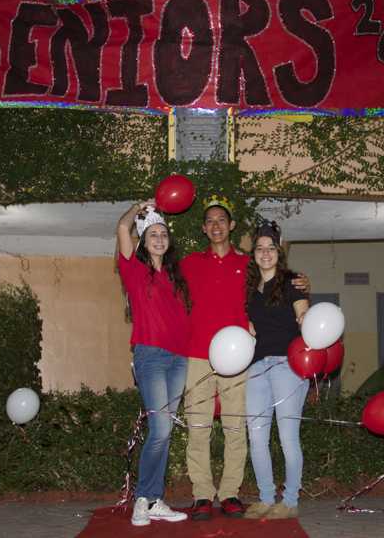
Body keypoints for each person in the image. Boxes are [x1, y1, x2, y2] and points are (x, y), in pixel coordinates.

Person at [181, 196, 309, 521]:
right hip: (198, 355)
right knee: (198, 428)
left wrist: (302, 283)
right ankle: (201, 494)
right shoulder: (189, 263)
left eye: (221, 220)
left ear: (232, 226)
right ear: (203, 228)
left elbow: (283, 288)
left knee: (237, 428)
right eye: (209, 221)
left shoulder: (247, 268)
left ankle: (229, 493)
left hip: (240, 359)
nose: (216, 226)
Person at [116, 201, 191, 527]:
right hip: (150, 356)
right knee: (159, 428)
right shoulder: (134, 271)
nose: (159, 239)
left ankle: (155, 498)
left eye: (163, 234)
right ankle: (143, 499)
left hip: (179, 358)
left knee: (165, 429)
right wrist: (137, 209)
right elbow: (121, 229)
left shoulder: (178, 277)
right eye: (153, 235)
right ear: (144, 242)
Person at [243, 221, 310, 520]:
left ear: (279, 251)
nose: (265, 253)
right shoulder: (251, 289)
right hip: (257, 367)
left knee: (287, 436)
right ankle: (266, 497)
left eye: (271, 247)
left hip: (287, 366)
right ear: (254, 253)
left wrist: (308, 322)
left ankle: (291, 500)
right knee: (256, 436)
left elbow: (304, 316)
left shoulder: (292, 281)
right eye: (260, 248)